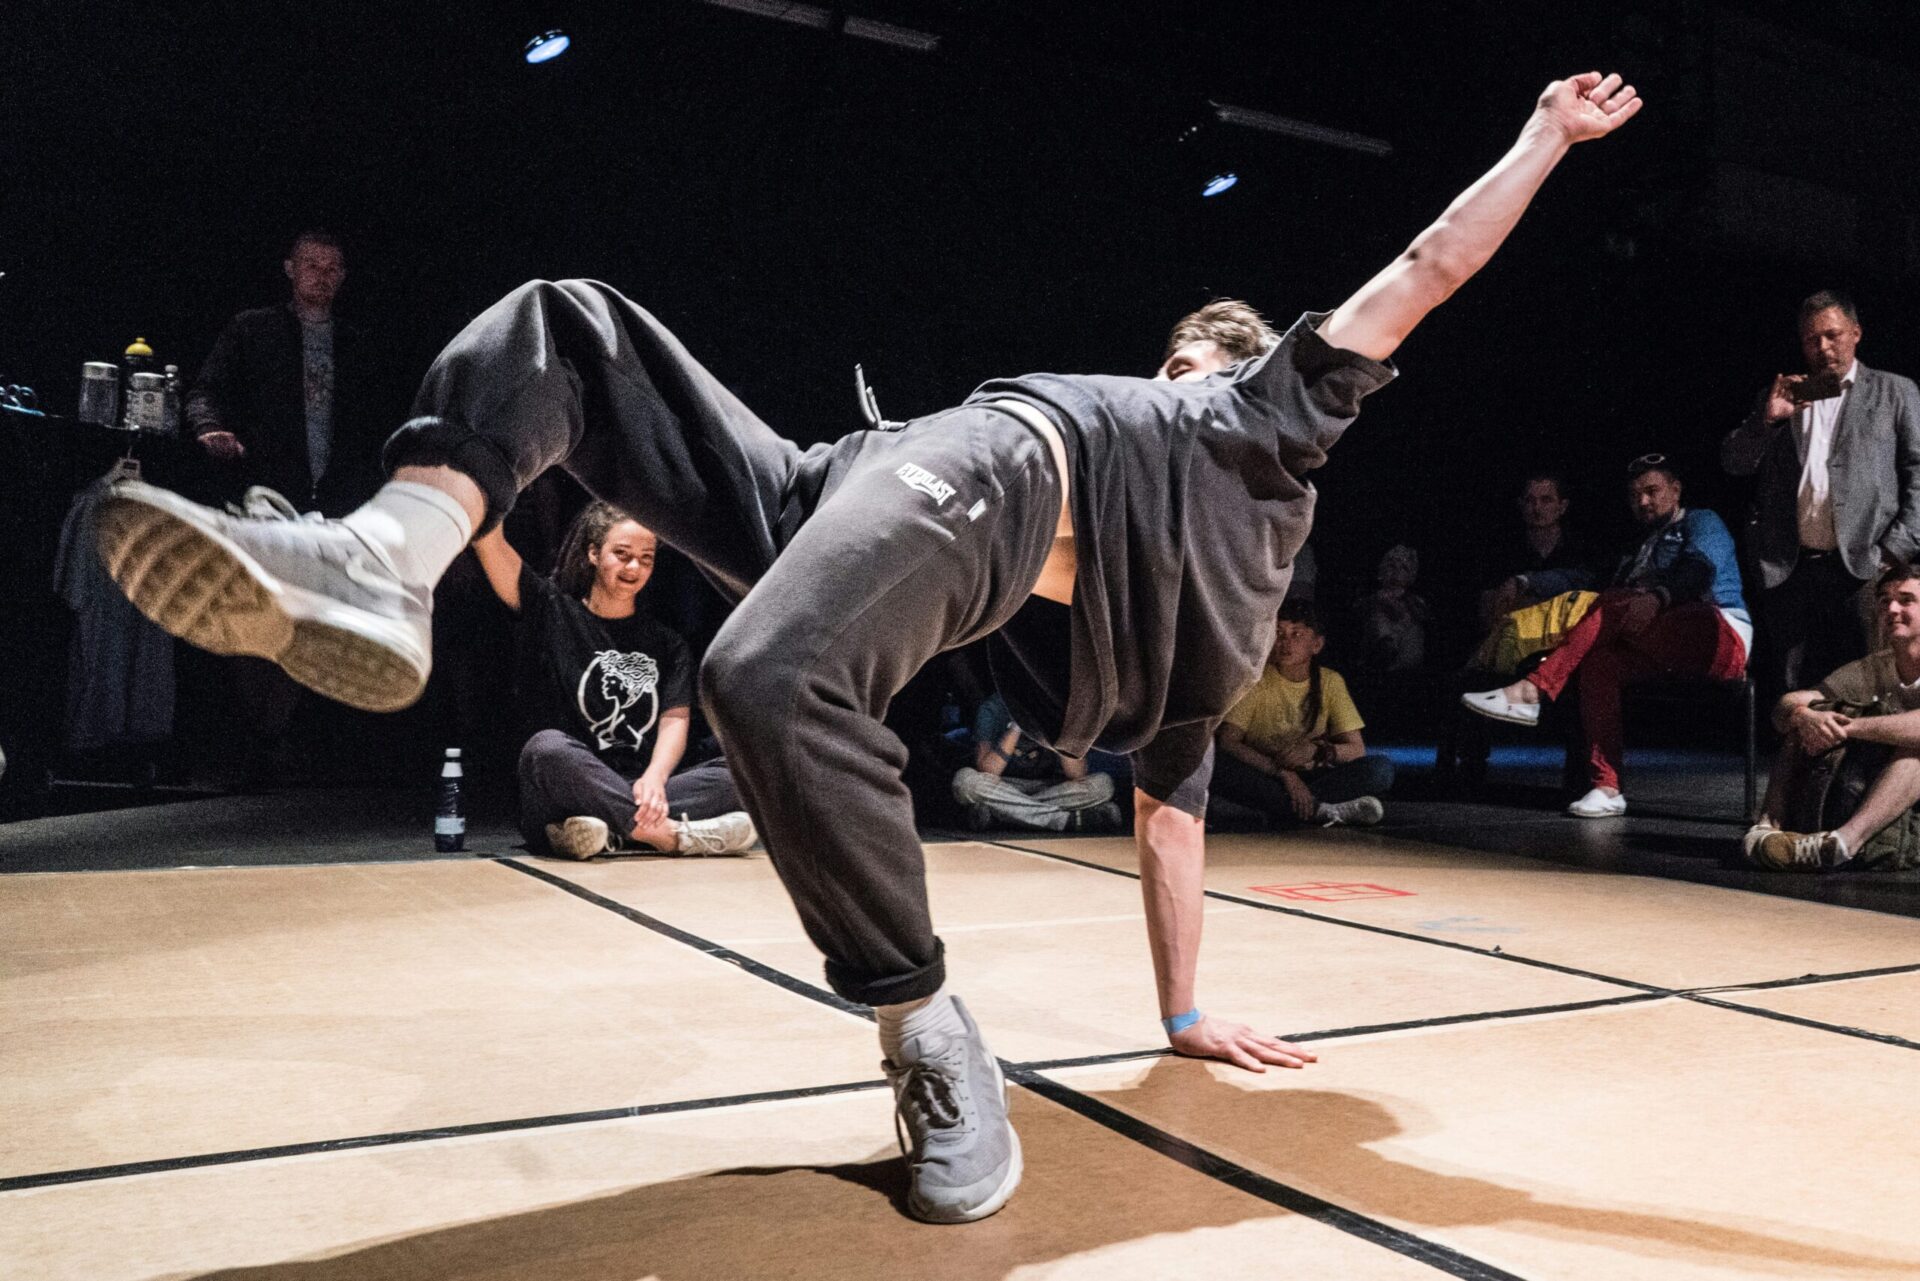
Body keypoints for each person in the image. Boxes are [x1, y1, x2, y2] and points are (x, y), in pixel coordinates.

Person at [95, 72, 1643, 1224]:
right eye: (1171, 357)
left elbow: (1426, 274)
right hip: (864, 476)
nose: (1170, 373)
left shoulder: (1261, 442)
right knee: (565, 325)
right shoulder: (1142, 451)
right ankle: (391, 552)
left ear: (1251, 387)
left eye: (1192, 364)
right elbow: (1164, 796)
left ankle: (927, 1024)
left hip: (969, 490)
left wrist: (1544, 140)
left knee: (770, 676)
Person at [187, 229, 388, 782]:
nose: (321, 276)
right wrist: (211, 430)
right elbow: (206, 391)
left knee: (315, 623)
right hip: (269, 499)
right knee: (257, 619)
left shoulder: (359, 341)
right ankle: (257, 741)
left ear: (343, 277)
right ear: (289, 269)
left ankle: (293, 745)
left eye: (332, 268)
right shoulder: (253, 329)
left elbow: (383, 420)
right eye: (311, 265)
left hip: (338, 505)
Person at [467, 499, 757, 859]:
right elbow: (490, 544)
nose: (634, 566)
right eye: (622, 554)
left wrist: (655, 776)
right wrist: (481, 492)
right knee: (545, 749)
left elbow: (674, 720)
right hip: (572, 784)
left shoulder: (667, 644)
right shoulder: (553, 611)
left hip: (641, 789)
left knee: (741, 771)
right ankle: (669, 836)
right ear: (593, 553)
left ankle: (605, 833)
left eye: (646, 558)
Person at [1463, 456, 1750, 817]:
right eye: (1635, 496)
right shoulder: (1640, 547)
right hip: (1658, 641)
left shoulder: (1701, 521)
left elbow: (1700, 570)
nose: (1643, 502)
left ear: (1675, 491)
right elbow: (1588, 580)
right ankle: (1607, 786)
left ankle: (1533, 689)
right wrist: (1528, 581)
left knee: (1614, 603)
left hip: (1718, 635)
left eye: (1652, 491)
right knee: (1600, 663)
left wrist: (1659, 597)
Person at [1721, 291, 1920, 709]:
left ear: (1856, 334)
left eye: (1832, 336)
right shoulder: (1783, 395)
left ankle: (1862, 777)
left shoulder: (1894, 391)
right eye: (1813, 339)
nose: (1823, 348)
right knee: (1797, 690)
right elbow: (1735, 463)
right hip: (1791, 569)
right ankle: (1803, 774)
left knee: (1867, 686)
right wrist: (1767, 421)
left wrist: (1894, 549)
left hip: (1863, 566)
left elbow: (1918, 473)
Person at [1745, 564, 1920, 872]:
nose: (1891, 608)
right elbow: (1786, 706)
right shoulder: (1875, 667)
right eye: (1883, 601)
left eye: (1906, 600)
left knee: (1915, 748)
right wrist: (1804, 716)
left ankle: (1843, 843)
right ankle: (1767, 826)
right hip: (1901, 796)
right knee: (1806, 719)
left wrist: (1848, 727)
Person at [1213, 602, 1393, 827]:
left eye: (1296, 634)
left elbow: (1356, 749)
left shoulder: (1329, 681)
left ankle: (1288, 808)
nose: (1285, 642)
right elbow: (1229, 742)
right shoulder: (1257, 680)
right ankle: (1322, 810)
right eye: (1279, 633)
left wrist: (1317, 750)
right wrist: (1284, 775)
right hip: (1268, 773)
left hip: (1312, 775)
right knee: (1215, 764)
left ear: (1316, 644)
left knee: (1380, 769)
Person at [951, 693, 1124, 833]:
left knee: (1103, 784)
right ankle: (1062, 820)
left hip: (1049, 787)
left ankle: (1002, 814)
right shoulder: (993, 708)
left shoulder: (1057, 707)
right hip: (1003, 785)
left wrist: (1058, 727)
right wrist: (1016, 727)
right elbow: (987, 769)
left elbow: (1077, 774)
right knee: (966, 781)